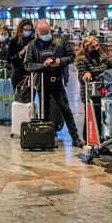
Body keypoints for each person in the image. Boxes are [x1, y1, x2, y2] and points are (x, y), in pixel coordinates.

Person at [23, 20, 84, 148]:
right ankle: (48, 138)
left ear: (51, 29)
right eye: (42, 33)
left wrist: (60, 61)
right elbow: (27, 64)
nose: (45, 35)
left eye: (47, 32)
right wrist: (42, 66)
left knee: (65, 109)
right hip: (42, 82)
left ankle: (75, 137)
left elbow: (71, 56)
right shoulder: (33, 45)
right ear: (37, 33)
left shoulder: (60, 40)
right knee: (44, 111)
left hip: (56, 81)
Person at [75, 36, 112, 142]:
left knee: (103, 118)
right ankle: (89, 141)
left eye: (97, 45)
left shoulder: (102, 57)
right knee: (92, 118)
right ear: (86, 48)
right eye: (93, 47)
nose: (96, 48)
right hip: (89, 93)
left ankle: (102, 141)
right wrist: (85, 74)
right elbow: (82, 76)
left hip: (103, 93)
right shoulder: (82, 60)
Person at [9, 19, 35, 101]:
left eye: (30, 30)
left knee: (30, 100)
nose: (28, 32)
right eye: (26, 30)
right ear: (20, 29)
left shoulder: (33, 41)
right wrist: (22, 52)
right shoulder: (13, 41)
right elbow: (9, 59)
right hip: (17, 74)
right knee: (19, 100)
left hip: (29, 74)